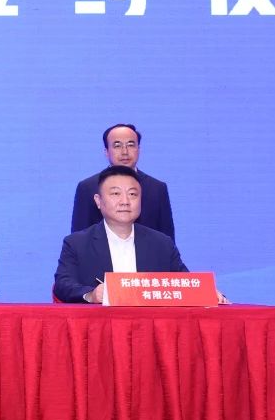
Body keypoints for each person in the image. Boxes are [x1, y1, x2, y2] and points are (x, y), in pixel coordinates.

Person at [54, 165, 225, 304]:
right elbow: (63, 284)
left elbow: (185, 283)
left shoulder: (162, 244)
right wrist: (91, 295)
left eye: (132, 194)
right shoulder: (77, 243)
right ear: (98, 201)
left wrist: (207, 293)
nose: (125, 201)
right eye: (115, 194)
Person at [70, 123, 175, 239]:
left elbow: (168, 240)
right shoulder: (88, 187)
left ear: (138, 149)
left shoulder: (157, 188)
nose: (125, 152)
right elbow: (78, 238)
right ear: (106, 152)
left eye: (130, 145)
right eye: (117, 145)